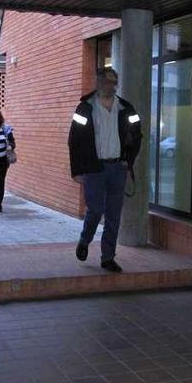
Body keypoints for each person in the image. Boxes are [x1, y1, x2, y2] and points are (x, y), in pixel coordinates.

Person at [68, 67, 142, 273]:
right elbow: (74, 141)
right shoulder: (84, 108)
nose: (111, 85)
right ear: (98, 82)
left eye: (114, 81)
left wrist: (129, 160)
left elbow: (137, 136)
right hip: (94, 168)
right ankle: (85, 240)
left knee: (113, 215)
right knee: (95, 210)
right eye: (107, 81)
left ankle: (107, 257)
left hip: (118, 167)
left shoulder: (127, 108)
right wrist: (76, 170)